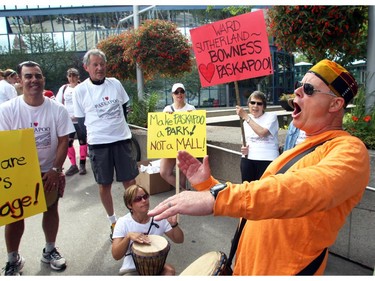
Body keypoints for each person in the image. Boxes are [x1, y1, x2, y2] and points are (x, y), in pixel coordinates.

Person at [148, 59, 370, 275]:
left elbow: (300, 190)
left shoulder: (350, 151)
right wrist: (208, 184)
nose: (298, 92)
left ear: (335, 104)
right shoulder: (302, 146)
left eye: (309, 89)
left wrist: (218, 197)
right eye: (299, 86)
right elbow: (263, 197)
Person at [0, 61, 75, 276]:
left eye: (37, 76)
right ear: (20, 81)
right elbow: (4, 144)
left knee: (51, 210)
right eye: (28, 76)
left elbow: (63, 141)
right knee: (15, 216)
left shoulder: (57, 110)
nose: (34, 80)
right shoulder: (7, 110)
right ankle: (13, 259)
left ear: (43, 79)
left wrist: (54, 169)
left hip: (49, 171)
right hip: (19, 174)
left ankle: (49, 250)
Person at [73, 48, 139, 241]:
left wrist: (121, 129)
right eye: (95, 64)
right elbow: (80, 120)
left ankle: (136, 217)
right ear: (87, 67)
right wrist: (94, 137)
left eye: (102, 64)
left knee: (130, 181)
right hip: (99, 144)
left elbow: (125, 107)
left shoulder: (115, 84)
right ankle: (113, 221)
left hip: (121, 140)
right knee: (105, 184)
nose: (99, 68)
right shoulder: (80, 90)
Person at [112, 184, 184, 275]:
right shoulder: (123, 222)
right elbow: (116, 255)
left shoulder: (159, 217)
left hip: (155, 265)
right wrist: (128, 237)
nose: (144, 200)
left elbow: (179, 240)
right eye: (138, 199)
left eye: (145, 196)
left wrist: (174, 224)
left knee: (169, 271)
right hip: (131, 267)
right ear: (129, 205)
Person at [236, 91, 279, 182]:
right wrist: (244, 148)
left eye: (259, 104)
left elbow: (262, 133)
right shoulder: (245, 122)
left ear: (263, 106)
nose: (255, 106)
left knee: (264, 191)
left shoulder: (271, 117)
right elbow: (245, 141)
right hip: (248, 159)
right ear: (248, 104)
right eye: (252, 103)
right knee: (247, 189)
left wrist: (246, 117)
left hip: (267, 159)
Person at [160, 83, 196, 191]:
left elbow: (196, 128)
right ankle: (184, 192)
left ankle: (182, 196)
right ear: (172, 95)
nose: (179, 94)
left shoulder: (191, 108)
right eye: (176, 92)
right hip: (170, 146)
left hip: (185, 147)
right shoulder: (167, 109)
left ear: (184, 94)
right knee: (164, 172)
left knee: (182, 176)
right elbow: (162, 128)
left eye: (181, 91)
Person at [56, 68, 88, 176]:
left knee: (82, 141)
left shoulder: (82, 88)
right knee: (68, 142)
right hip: (68, 121)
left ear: (78, 76)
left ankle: (82, 165)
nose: (72, 78)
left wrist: (79, 115)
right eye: (70, 76)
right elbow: (58, 103)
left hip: (80, 119)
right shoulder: (64, 88)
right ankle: (73, 165)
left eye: (74, 75)